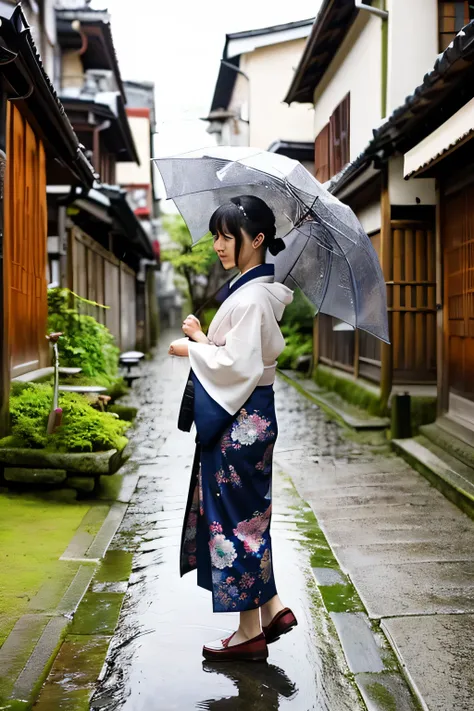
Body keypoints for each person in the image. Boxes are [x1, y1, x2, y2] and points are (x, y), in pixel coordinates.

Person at [168, 195, 297, 662]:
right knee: (247, 517)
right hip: (250, 416)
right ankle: (271, 609)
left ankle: (249, 631)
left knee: (235, 522)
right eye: (217, 236)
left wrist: (192, 350)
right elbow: (241, 358)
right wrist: (204, 338)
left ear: (257, 240)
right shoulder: (251, 293)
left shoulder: (252, 298)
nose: (219, 245)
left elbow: (237, 365)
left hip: (240, 419)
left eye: (228, 236)